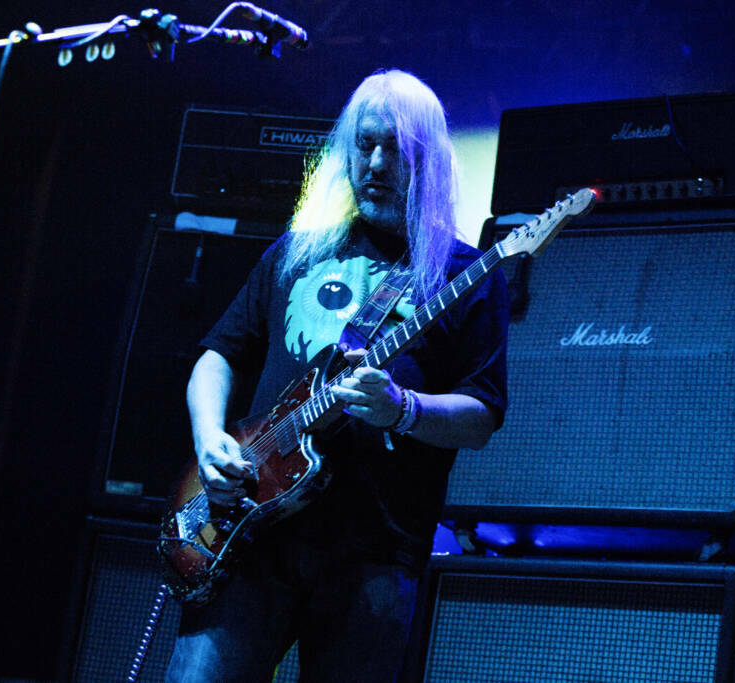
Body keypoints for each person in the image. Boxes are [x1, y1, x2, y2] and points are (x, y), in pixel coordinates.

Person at [165, 69, 509, 682]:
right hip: (252, 537)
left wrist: (403, 408)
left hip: (375, 553)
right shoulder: (297, 251)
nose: (374, 164)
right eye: (364, 145)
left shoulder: (464, 273)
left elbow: (481, 416)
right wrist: (209, 438)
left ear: (427, 160)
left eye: (394, 149)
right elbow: (217, 356)